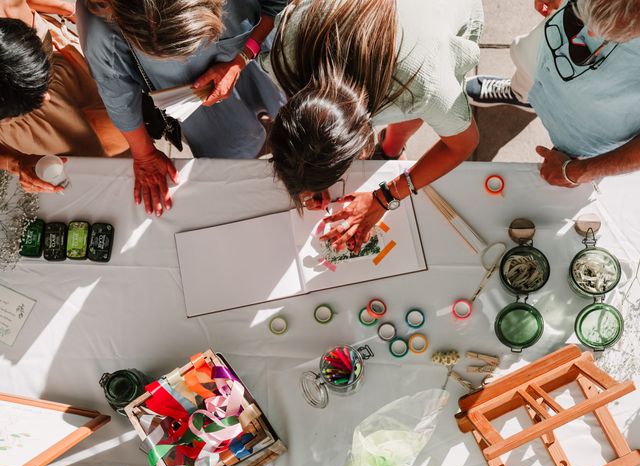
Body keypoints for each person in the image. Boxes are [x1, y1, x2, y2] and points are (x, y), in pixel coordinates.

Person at [261, 0, 483, 253]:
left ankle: (392, 145)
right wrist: (313, 177)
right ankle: (391, 148)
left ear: (360, 142)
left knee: (417, 106)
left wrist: (385, 197)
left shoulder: (423, 85)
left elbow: (462, 145)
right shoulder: (285, 57)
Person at [78, 0, 286, 217]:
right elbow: (117, 93)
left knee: (286, 111)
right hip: (199, 106)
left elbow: (276, 5)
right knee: (233, 159)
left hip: (255, 44)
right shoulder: (99, 29)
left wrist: (242, 58)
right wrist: (144, 154)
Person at [465, 0, 640, 188]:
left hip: (593, 120)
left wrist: (577, 171)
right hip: (546, 52)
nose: (590, 33)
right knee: (525, 80)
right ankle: (519, 94)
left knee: (567, 156)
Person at [0, 0, 127, 193]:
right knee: (91, 176)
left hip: (64, 70)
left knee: (124, 133)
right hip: (32, 128)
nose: (46, 98)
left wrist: (73, 14)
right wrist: (14, 162)